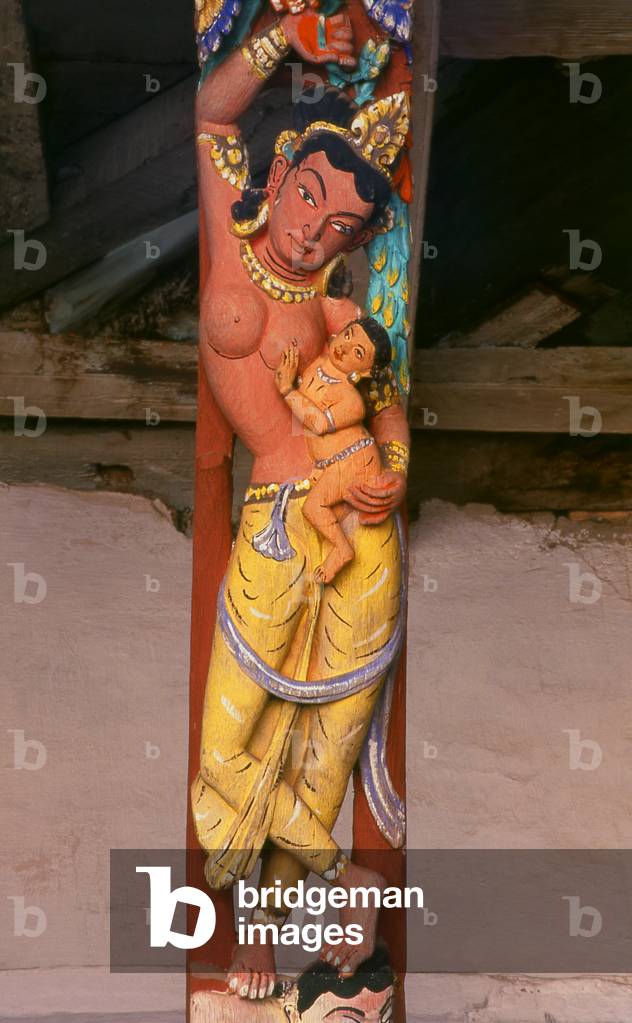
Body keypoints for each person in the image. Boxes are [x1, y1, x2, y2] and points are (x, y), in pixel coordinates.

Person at [192, 7, 411, 1000]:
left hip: (351, 522)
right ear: (278, 178)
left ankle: (270, 934)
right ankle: (334, 876)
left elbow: (388, 398)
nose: (314, 229)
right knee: (228, 742)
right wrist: (283, 33)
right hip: (269, 528)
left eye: (340, 226)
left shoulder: (334, 294)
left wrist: (393, 463)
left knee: (320, 749)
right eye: (307, 200)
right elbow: (209, 113)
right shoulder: (229, 239)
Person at [275, 319, 393, 583]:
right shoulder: (317, 366)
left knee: (313, 508)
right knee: (321, 519)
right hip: (330, 464)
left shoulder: (352, 402)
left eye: (358, 353)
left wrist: (286, 389)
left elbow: (317, 423)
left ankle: (342, 550)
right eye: (349, 335)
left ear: (365, 372)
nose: (346, 347)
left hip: (355, 460)